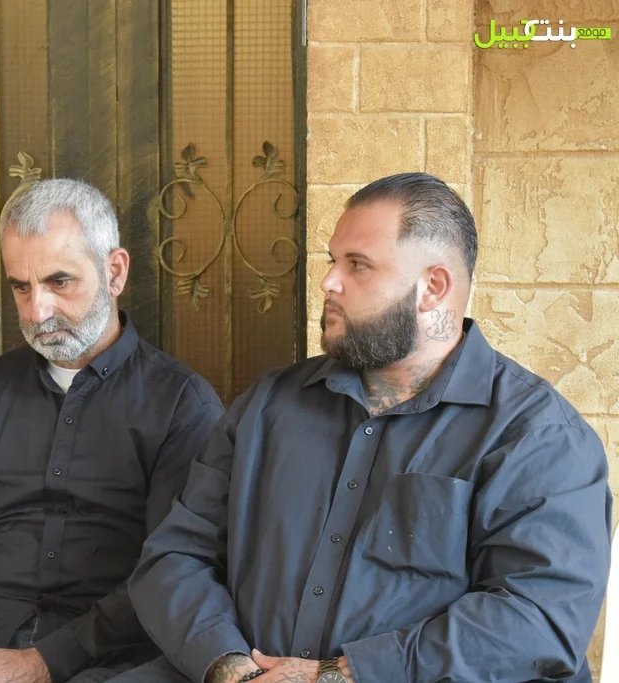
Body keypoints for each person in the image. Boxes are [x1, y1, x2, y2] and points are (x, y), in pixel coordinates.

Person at [116, 173, 612, 683]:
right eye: (333, 260)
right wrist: (229, 666)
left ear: (433, 288)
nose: (329, 282)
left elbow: (536, 620)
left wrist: (337, 674)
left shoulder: (538, 438)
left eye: (357, 265)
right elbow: (175, 555)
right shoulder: (268, 405)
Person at [0, 178, 223, 683]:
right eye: (21, 287)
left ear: (115, 271)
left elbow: (169, 571)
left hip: (108, 658)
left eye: (59, 282)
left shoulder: (181, 404)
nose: (37, 311)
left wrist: (42, 662)